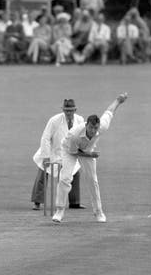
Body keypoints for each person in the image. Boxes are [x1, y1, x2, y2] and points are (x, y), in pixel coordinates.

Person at [52, 93, 128, 223]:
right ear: (86, 125)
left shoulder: (102, 127)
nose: (93, 131)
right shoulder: (74, 134)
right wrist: (91, 155)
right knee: (65, 178)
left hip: (87, 150)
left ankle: (99, 212)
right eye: (91, 128)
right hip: (69, 151)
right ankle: (59, 211)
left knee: (93, 180)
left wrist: (118, 100)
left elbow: (109, 112)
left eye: (96, 128)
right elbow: (75, 153)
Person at [31, 99, 85, 211]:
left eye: (70, 110)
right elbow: (45, 138)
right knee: (42, 174)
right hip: (52, 151)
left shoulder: (80, 120)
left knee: (75, 173)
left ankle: (75, 202)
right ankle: (37, 202)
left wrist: (81, 151)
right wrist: (46, 156)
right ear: (63, 110)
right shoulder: (54, 120)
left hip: (68, 152)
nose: (68, 113)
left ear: (75, 110)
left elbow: (81, 137)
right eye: (66, 110)